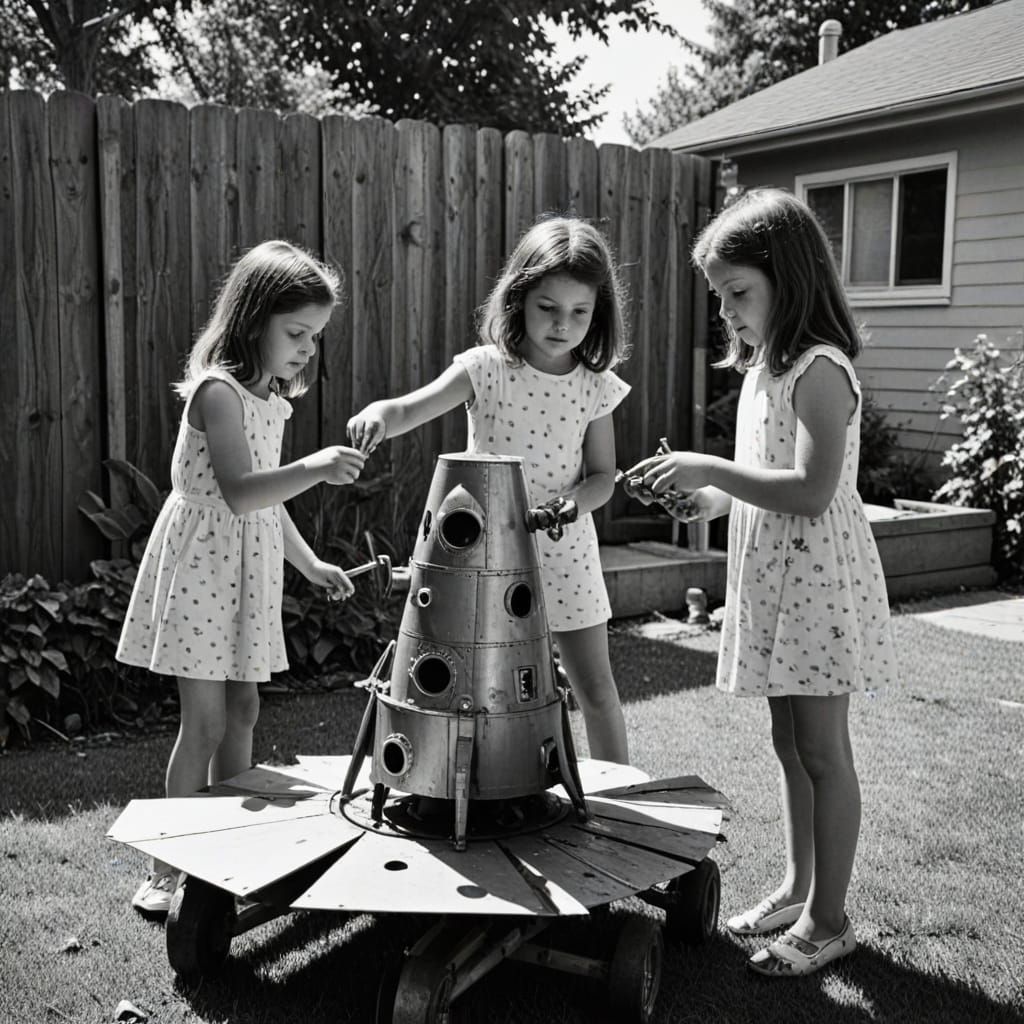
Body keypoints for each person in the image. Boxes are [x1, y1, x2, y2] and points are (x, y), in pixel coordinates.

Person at [627, 189, 897, 976]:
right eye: (720, 299)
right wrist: (696, 494)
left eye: (738, 294)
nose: (728, 313)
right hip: (778, 582)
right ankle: (797, 887)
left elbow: (811, 489)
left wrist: (712, 467)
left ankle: (830, 920)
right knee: (788, 742)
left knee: (822, 748)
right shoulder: (761, 371)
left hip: (816, 581)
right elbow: (745, 485)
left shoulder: (819, 368)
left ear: (792, 278)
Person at [117, 240, 367, 915]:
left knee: (246, 709)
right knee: (201, 723)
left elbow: (267, 504)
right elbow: (237, 492)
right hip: (203, 570)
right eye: (296, 333)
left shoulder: (272, 401)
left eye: (315, 336)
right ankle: (169, 865)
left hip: (247, 572)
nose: (307, 349)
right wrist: (316, 466)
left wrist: (310, 562)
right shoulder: (219, 393)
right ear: (254, 318)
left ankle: (235, 848)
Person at [347, 216, 632, 764]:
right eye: (548, 308)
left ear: (599, 313)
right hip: (482, 558)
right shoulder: (486, 368)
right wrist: (382, 413)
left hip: (566, 553)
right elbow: (414, 405)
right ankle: (471, 796)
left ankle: (619, 808)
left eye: (580, 312)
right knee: (472, 690)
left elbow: (603, 476)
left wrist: (571, 506)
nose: (562, 324)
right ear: (519, 297)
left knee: (596, 691)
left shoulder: (595, 385)